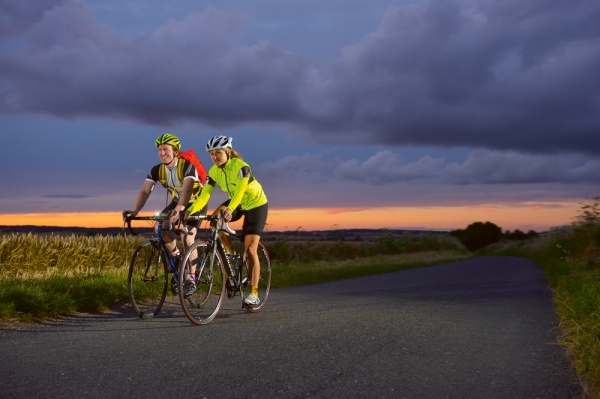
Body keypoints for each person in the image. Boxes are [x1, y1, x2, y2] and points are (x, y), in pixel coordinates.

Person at [185, 135, 268, 305]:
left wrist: (230, 209)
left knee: (251, 249)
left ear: (228, 151)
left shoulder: (241, 167)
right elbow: (204, 195)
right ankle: (230, 253)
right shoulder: (214, 172)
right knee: (216, 218)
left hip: (255, 204)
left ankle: (254, 293)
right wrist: (189, 210)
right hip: (236, 203)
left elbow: (240, 192)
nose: (214, 157)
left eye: (218, 153)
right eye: (211, 154)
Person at [123, 133, 207, 295]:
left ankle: (191, 279)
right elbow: (145, 190)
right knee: (159, 227)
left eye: (166, 149)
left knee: (187, 236)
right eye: (160, 150)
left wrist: (180, 209)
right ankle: (176, 256)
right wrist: (135, 210)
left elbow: (188, 189)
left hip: (194, 202)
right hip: (177, 202)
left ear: (176, 151)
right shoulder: (157, 170)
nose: (162, 153)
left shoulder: (187, 166)